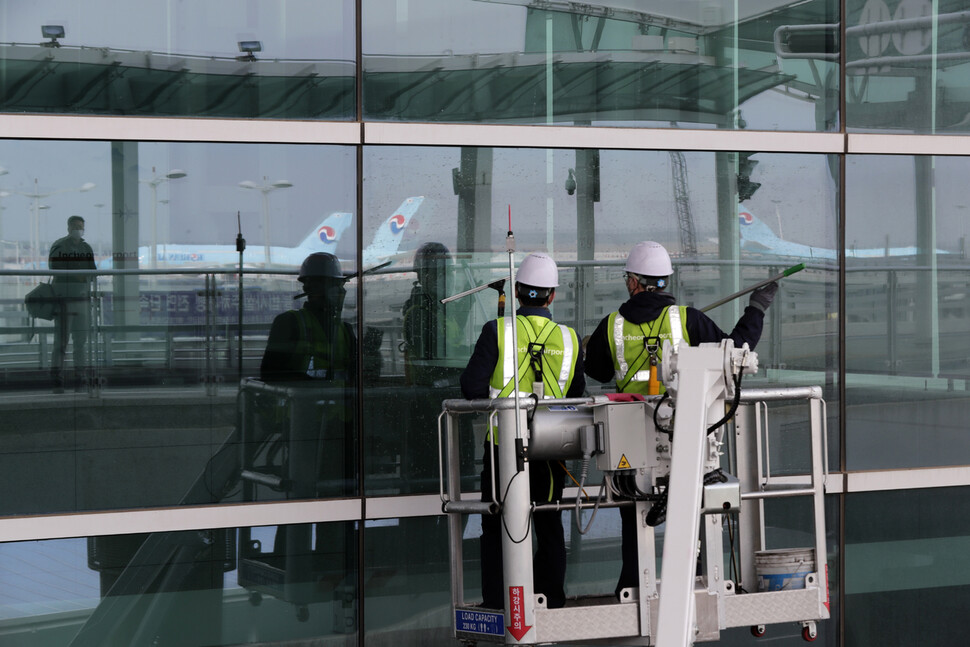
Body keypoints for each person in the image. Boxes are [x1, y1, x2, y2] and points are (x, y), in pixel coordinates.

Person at [583, 240, 778, 597]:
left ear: (634, 282)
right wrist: (757, 308)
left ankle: (632, 585)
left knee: (633, 508)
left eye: (628, 277)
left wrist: (588, 346)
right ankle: (696, 577)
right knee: (689, 504)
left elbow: (595, 369)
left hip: (632, 432)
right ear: (663, 282)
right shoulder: (686, 319)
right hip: (682, 432)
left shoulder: (611, 325)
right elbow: (733, 353)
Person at [460, 251, 585, 610]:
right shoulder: (570, 338)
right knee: (548, 522)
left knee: (497, 522)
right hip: (551, 447)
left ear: (516, 291)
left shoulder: (496, 331)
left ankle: (499, 602)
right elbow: (577, 395)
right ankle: (548, 600)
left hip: (502, 448)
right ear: (552, 295)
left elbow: (471, 387)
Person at [48, 215, 96, 393]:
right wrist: (78, 275)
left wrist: (83, 276)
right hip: (64, 301)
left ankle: (80, 376)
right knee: (61, 341)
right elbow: (55, 268)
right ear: (68, 227)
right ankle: (57, 377)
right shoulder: (60, 245)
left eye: (80, 226)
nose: (78, 229)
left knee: (81, 341)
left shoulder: (86, 247)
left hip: (82, 300)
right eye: (75, 226)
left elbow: (92, 271)